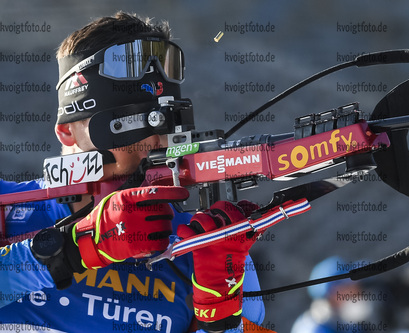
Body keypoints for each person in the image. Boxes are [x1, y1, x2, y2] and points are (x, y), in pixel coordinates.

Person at [0, 12, 273, 333]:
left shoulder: (202, 241)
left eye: (166, 124)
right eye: (127, 125)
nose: (154, 144)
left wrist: (221, 319)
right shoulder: (8, 208)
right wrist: (75, 249)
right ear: (67, 132)